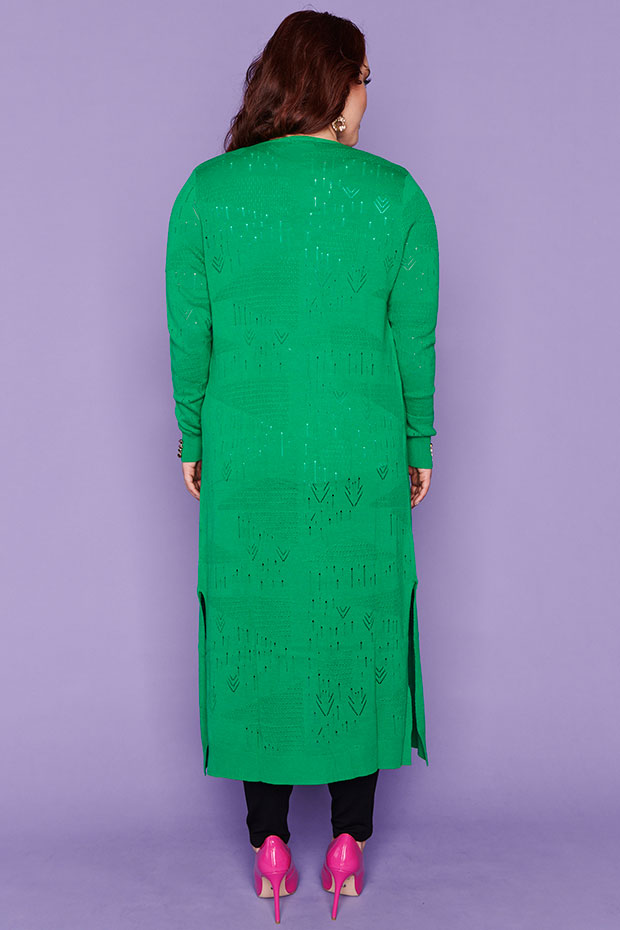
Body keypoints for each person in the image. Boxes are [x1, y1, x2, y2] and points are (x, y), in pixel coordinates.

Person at [165, 9, 439, 922]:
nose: (367, 97)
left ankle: (271, 846)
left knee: (259, 627)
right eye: (365, 79)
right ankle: (350, 844)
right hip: (360, 458)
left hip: (249, 461)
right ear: (336, 83)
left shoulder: (206, 193)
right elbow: (413, 339)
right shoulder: (395, 195)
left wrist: (194, 440)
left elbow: (191, 335)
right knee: (357, 625)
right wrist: (416, 444)